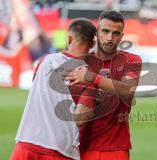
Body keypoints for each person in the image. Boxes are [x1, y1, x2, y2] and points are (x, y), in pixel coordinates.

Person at [11, 18, 98, 160]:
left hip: (25, 144)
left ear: (69, 38)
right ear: (92, 44)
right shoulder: (87, 76)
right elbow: (81, 119)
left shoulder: (44, 61)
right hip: (59, 151)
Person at [65, 10, 142, 160]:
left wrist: (92, 78)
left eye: (116, 33)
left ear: (122, 37)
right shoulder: (82, 62)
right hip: (78, 148)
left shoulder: (131, 60)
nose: (110, 38)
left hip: (114, 150)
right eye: (105, 31)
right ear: (97, 32)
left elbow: (127, 91)